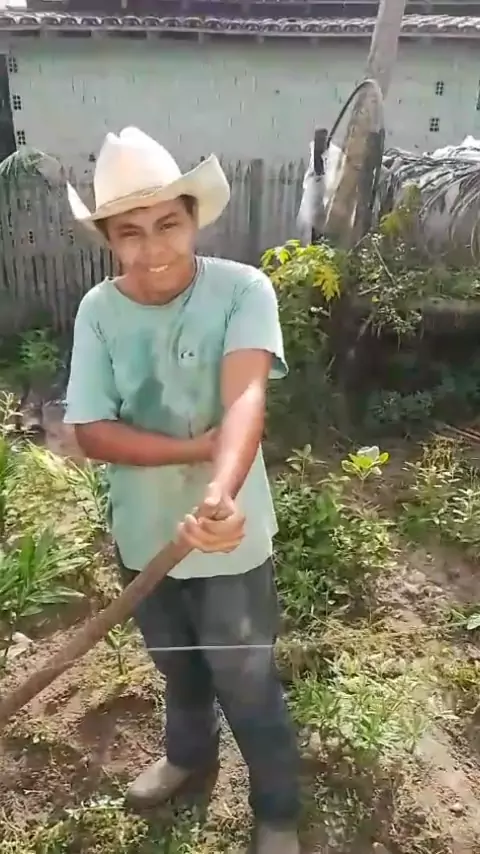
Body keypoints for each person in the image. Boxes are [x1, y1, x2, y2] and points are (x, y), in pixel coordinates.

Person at [64, 127, 300, 854]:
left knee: (246, 676)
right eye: (129, 233)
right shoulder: (99, 310)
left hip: (230, 534)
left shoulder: (242, 290)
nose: (153, 248)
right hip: (145, 534)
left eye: (168, 223)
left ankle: (278, 812)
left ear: (195, 218)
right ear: (109, 239)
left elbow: (246, 399)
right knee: (176, 664)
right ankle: (189, 758)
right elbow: (91, 431)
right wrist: (194, 450)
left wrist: (219, 489)